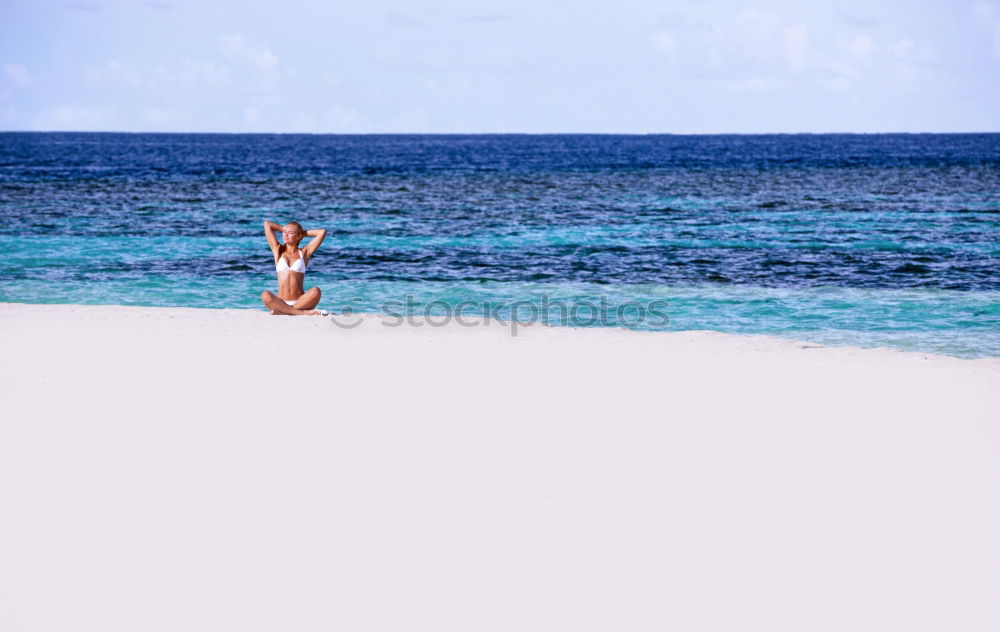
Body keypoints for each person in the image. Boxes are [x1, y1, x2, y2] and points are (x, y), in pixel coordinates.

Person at [260, 220, 327, 315]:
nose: (285, 235)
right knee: (265, 295)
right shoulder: (278, 250)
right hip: (281, 301)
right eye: (284, 232)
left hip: (300, 302)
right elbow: (267, 224)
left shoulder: (304, 253)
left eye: (290, 233)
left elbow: (322, 232)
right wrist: (286, 228)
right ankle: (302, 313)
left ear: (298, 236)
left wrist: (303, 233)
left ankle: (285, 311)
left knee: (316, 291)